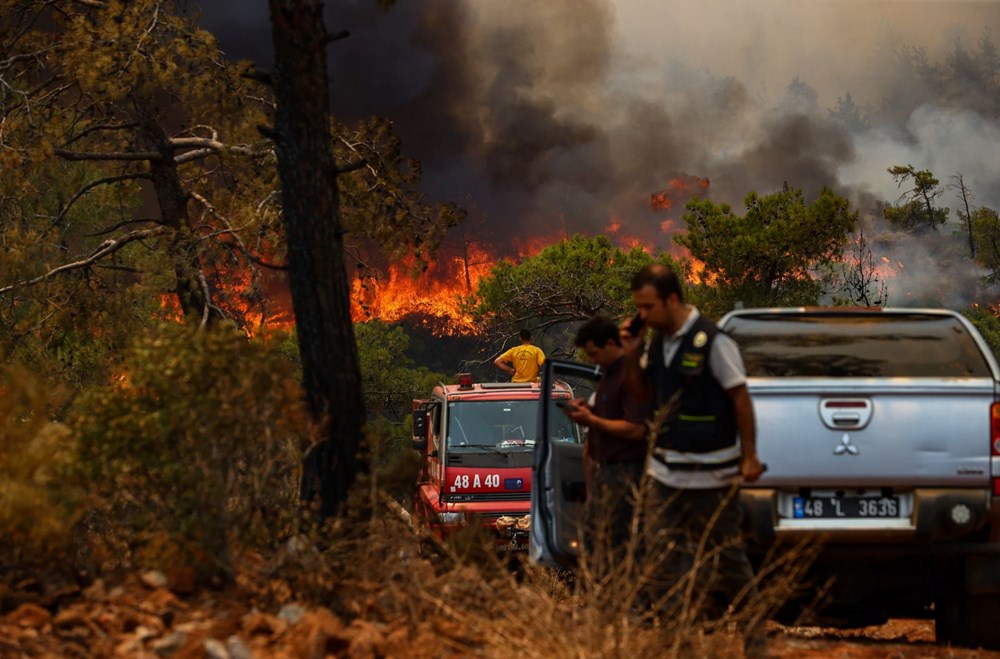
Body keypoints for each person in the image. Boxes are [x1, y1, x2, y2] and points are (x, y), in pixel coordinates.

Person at [620, 263, 768, 657]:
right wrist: (631, 356)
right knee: (662, 559)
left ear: (672, 300)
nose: (643, 317)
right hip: (665, 474)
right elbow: (640, 395)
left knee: (728, 562)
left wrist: (750, 456)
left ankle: (755, 644)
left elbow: (740, 398)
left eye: (648, 308)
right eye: (639, 309)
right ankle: (680, 646)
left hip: (712, 477)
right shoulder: (656, 343)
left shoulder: (714, 341)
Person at [561, 315, 652, 560]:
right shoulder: (607, 377)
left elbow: (635, 429)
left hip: (627, 473)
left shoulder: (630, 376)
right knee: (595, 541)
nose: (592, 360)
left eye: (594, 353)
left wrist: (592, 421)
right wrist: (589, 412)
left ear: (611, 344)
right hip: (607, 473)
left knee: (619, 545)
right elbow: (609, 418)